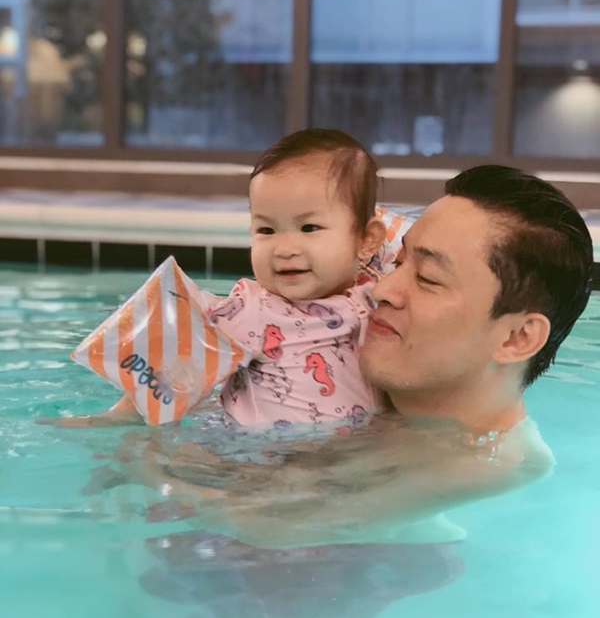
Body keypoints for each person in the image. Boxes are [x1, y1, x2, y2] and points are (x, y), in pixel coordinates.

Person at [105, 163, 593, 548]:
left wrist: (139, 456)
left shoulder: (497, 461)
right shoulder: (365, 358)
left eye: (427, 279)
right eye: (399, 261)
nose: (382, 289)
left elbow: (276, 526)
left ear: (517, 338)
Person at [48, 128, 409, 429]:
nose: (285, 249)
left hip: (346, 456)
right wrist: (111, 420)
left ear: (367, 240)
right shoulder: (250, 310)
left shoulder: (376, 294)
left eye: (309, 227)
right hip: (258, 460)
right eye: (266, 230)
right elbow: (167, 371)